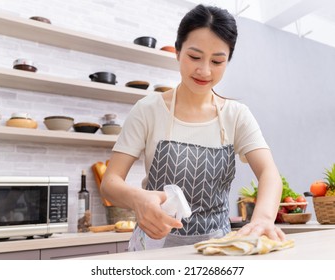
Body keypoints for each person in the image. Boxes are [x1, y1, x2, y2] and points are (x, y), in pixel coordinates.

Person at [101, 4, 285, 251]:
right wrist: (138, 199)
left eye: (217, 61)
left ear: (227, 61)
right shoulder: (148, 109)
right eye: (194, 57)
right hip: (154, 251)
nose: (204, 70)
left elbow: (269, 174)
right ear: (177, 52)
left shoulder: (236, 115)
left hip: (216, 251)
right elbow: (110, 182)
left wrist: (263, 218)